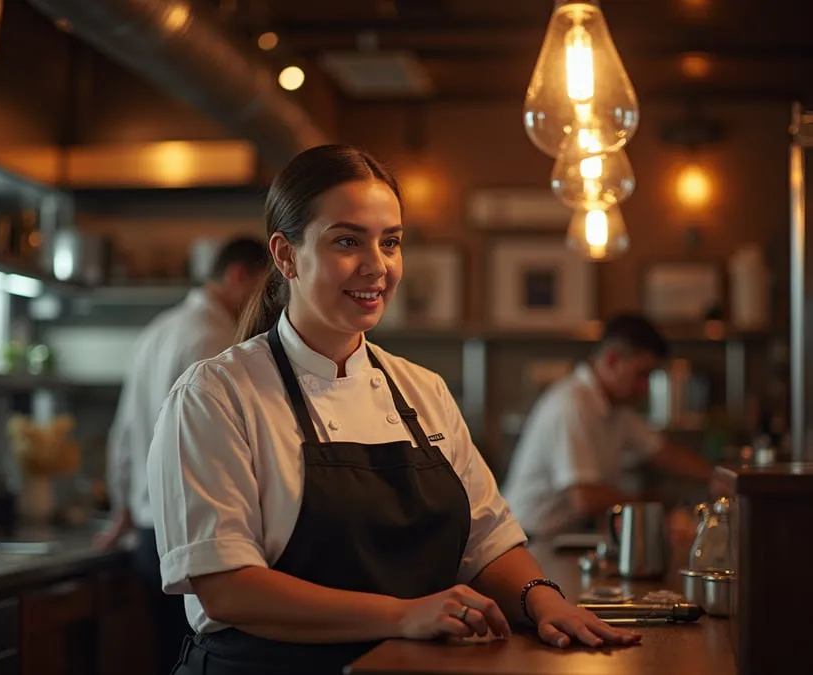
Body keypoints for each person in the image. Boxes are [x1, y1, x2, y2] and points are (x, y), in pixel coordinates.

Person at [146, 144, 641, 675]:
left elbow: (488, 541)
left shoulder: (422, 390)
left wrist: (544, 601)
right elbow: (227, 589)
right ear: (286, 255)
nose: (376, 265)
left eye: (391, 242)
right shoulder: (216, 394)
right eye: (346, 241)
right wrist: (405, 615)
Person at [95, 236, 268, 673]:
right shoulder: (216, 341)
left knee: (162, 658)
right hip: (191, 540)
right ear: (237, 276)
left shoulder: (157, 329)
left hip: (149, 537)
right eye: (265, 287)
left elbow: (124, 433)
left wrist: (125, 510)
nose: (268, 301)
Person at [501, 314, 716, 540]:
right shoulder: (572, 405)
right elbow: (586, 499)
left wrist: (717, 478)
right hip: (529, 538)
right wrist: (655, 505)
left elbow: (662, 452)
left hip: (562, 536)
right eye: (641, 375)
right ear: (612, 361)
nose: (645, 388)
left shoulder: (617, 407)